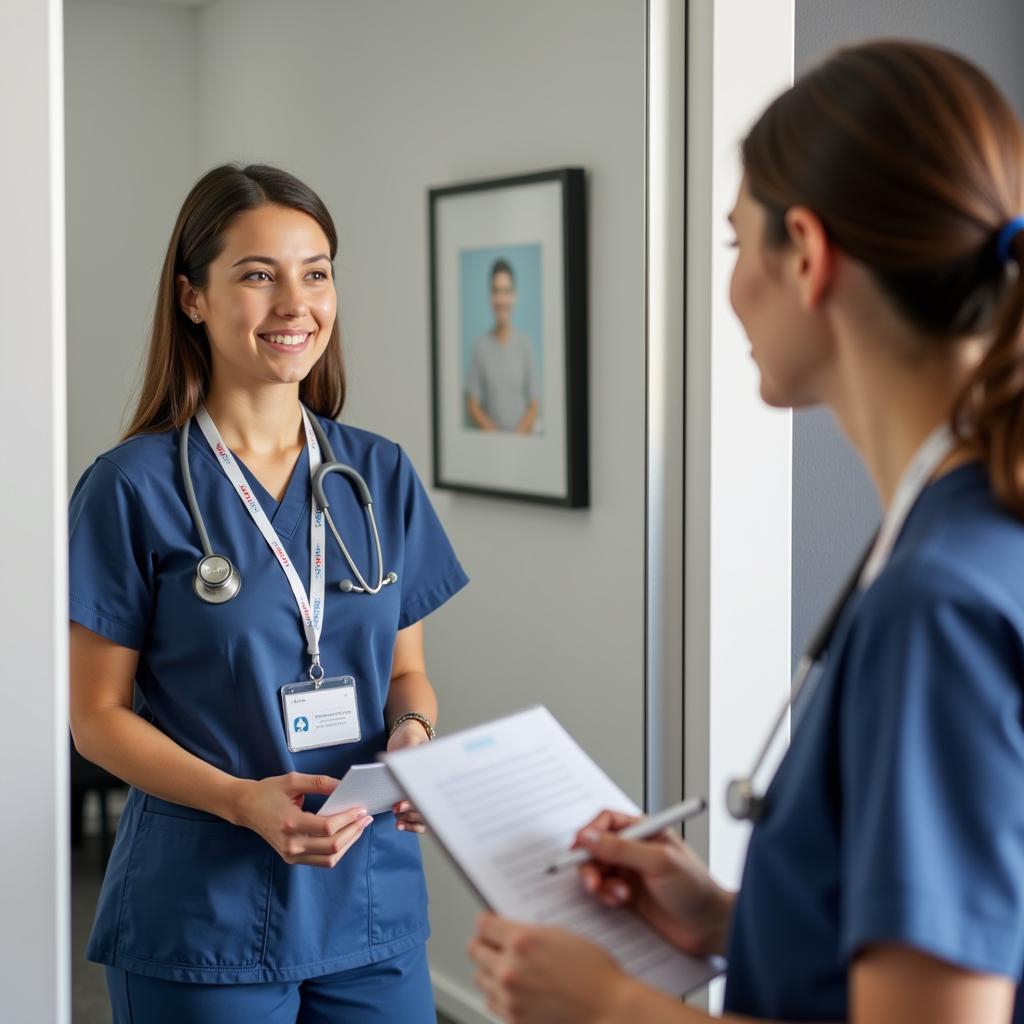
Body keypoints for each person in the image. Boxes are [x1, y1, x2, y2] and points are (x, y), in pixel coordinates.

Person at [468, 40, 1024, 1024]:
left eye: (734, 245)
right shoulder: (967, 526)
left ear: (805, 255)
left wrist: (607, 1006)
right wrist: (730, 917)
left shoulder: (935, 605)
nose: (728, 289)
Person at [68, 163, 468, 1023]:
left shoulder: (378, 472)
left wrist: (413, 737)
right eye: (258, 275)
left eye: (315, 272)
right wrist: (241, 801)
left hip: (368, 904)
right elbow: (96, 717)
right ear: (193, 298)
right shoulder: (131, 487)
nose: (296, 304)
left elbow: (407, 675)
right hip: (203, 912)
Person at [466, 258, 540, 433]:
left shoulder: (525, 344)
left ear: (514, 296)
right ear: (490, 296)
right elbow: (472, 404)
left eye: (506, 291)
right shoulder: (480, 346)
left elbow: (534, 405)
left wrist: (515, 440)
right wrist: (498, 440)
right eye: (496, 291)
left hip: (523, 444)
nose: (501, 299)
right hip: (491, 447)